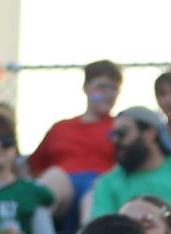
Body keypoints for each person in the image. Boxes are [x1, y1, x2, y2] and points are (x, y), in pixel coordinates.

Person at [27, 61, 123, 218]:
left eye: (114, 89)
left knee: (97, 191)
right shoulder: (61, 128)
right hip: (64, 191)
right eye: (102, 87)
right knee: (53, 175)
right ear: (86, 88)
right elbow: (34, 167)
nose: (109, 94)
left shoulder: (119, 126)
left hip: (99, 187)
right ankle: (35, 233)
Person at [85, 108, 171, 220]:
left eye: (122, 133)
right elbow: (101, 228)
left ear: (150, 133)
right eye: (113, 134)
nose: (115, 140)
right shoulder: (108, 182)